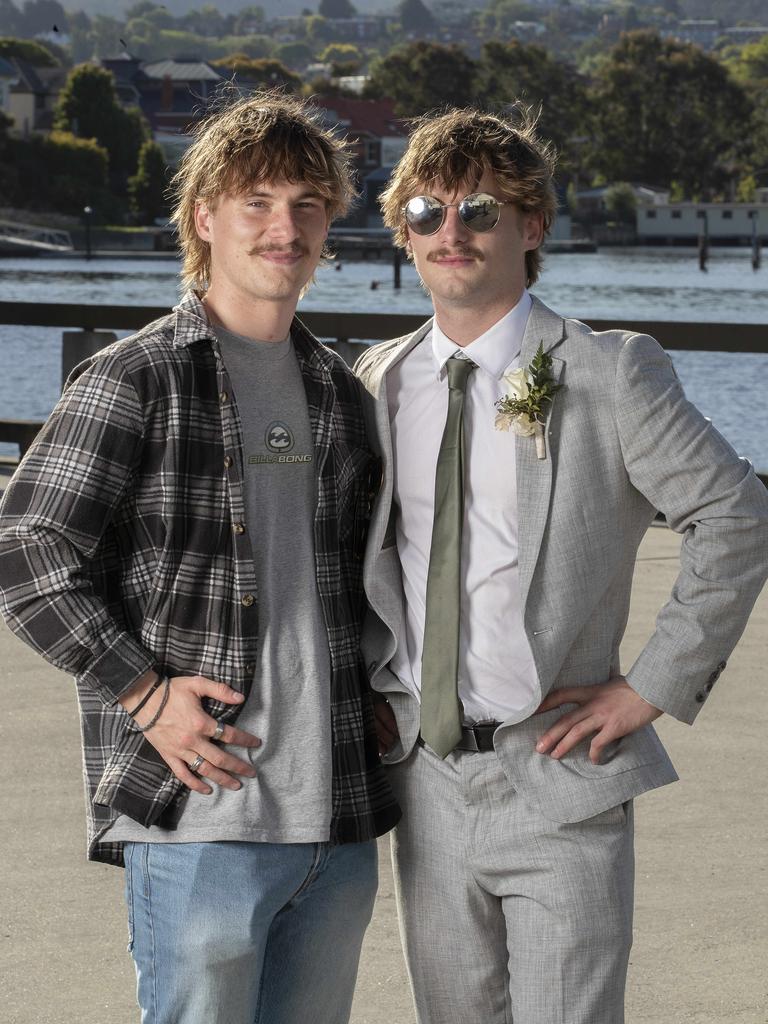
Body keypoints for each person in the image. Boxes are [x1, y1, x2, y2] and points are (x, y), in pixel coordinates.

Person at [354, 106, 768, 1024]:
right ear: (403, 234)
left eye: (478, 210)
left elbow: (736, 513)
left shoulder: (610, 373)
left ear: (533, 225)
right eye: (425, 211)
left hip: (558, 774)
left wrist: (649, 688)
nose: (449, 231)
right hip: (423, 784)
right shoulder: (375, 382)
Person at [0, 92, 399, 1024]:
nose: (283, 225)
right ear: (204, 218)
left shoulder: (343, 396)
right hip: (196, 820)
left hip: (335, 826)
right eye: (256, 200)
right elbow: (26, 548)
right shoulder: (137, 375)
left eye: (307, 203)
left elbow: (351, 584)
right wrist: (142, 692)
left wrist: (382, 703)